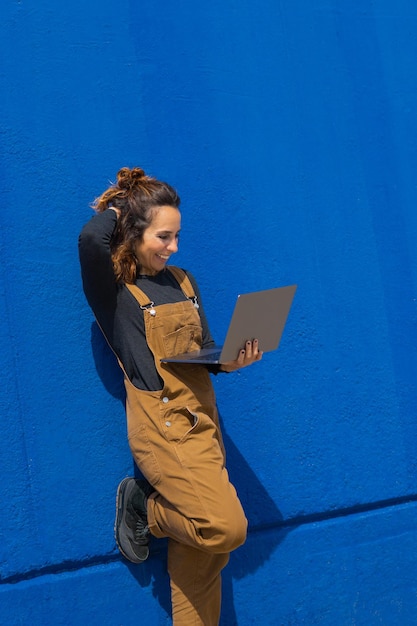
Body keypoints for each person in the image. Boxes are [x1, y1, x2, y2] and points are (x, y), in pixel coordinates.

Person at [78, 166, 262, 625]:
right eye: (163, 236)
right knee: (223, 528)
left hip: (203, 421)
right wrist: (121, 207)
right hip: (163, 429)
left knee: (203, 566)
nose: (173, 247)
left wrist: (229, 361)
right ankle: (148, 509)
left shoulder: (183, 281)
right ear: (133, 232)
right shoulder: (114, 291)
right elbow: (89, 240)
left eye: (177, 236)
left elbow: (200, 351)